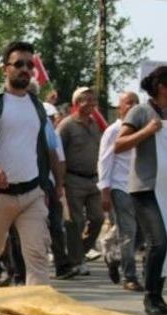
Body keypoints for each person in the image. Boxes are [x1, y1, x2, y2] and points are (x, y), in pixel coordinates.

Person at [0, 41, 56, 289]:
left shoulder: (37, 107)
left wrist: (45, 186)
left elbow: (41, 149)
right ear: (4, 69)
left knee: (38, 258)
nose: (26, 69)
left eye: (30, 65)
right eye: (19, 64)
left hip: (31, 195)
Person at [114, 65, 167, 315]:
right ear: (162, 86)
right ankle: (150, 297)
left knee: (165, 245)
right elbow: (119, 145)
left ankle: (158, 296)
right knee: (158, 241)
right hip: (144, 188)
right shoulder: (140, 112)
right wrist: (147, 131)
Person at [98, 91, 143, 291]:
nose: (133, 106)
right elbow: (105, 160)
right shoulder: (113, 131)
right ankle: (130, 276)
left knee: (142, 233)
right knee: (128, 232)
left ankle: (114, 255)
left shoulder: (144, 130)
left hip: (141, 188)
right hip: (120, 186)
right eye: (128, 103)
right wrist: (105, 190)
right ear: (120, 107)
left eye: (136, 103)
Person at [58, 86, 105, 276]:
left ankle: (79, 253)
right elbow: (57, 153)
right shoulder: (66, 126)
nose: (92, 103)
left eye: (93, 99)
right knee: (76, 222)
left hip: (94, 179)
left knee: (98, 219)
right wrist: (59, 181)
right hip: (73, 179)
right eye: (87, 100)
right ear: (77, 103)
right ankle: (77, 261)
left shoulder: (95, 125)